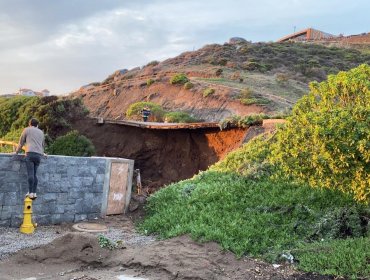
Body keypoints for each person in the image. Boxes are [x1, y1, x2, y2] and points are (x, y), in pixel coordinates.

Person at [15, 118, 46, 200]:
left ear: (30, 124)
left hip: (30, 153)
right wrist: (43, 153)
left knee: (30, 174)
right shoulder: (41, 132)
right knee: (35, 174)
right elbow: (42, 145)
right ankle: (34, 193)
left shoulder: (26, 130)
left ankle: (30, 192)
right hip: (39, 155)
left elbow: (21, 142)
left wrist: (16, 152)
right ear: (37, 125)